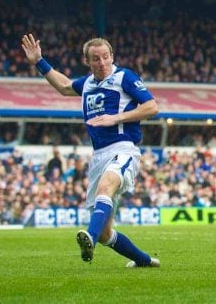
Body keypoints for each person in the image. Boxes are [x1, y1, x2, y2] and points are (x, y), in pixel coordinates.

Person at [21, 34, 160, 268]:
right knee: (107, 233)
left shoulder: (124, 77)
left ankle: (89, 240)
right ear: (88, 61)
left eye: (106, 57)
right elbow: (65, 86)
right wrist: (39, 61)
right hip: (98, 156)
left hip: (123, 148)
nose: (102, 62)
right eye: (96, 59)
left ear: (112, 57)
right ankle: (144, 261)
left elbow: (152, 106)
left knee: (105, 189)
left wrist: (115, 118)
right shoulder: (87, 84)